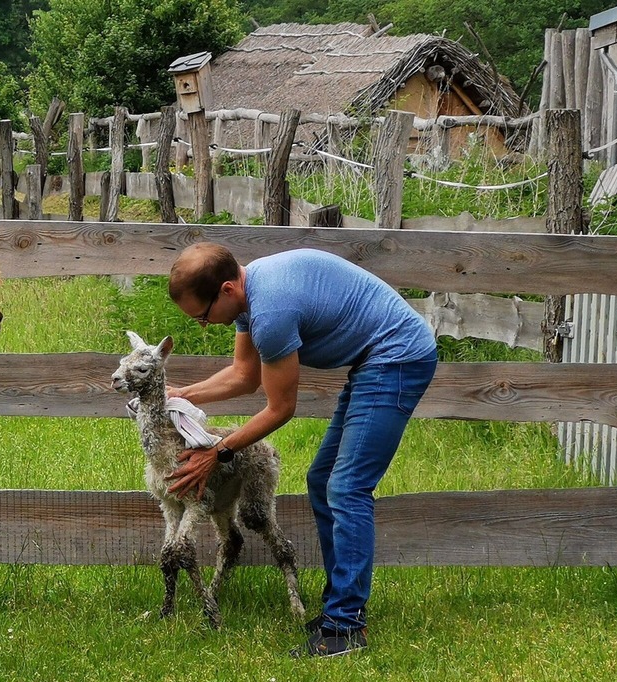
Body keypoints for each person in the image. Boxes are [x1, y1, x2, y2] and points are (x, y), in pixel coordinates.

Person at [164, 243, 437, 658]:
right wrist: (183, 393)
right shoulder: (248, 294)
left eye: (202, 316)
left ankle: (345, 626)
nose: (203, 325)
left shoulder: (270, 310)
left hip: (396, 357)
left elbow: (280, 408)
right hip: (373, 360)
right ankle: (339, 609)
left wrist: (218, 451)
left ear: (225, 289)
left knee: (347, 488)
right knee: (323, 480)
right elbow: (243, 375)